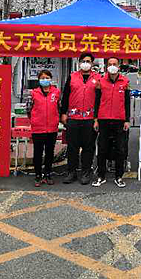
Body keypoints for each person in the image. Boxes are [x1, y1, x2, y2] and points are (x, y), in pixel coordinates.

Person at [60, 52, 100, 184]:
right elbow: (65, 96)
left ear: (92, 63)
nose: (85, 64)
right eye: (83, 61)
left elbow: (100, 99)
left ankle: (86, 172)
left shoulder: (98, 78)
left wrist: (97, 118)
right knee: (72, 147)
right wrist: (63, 113)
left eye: (88, 61)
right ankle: (71, 172)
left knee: (88, 147)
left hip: (90, 119)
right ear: (79, 63)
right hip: (73, 118)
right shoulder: (72, 77)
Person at [92, 56, 131, 188]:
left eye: (114, 64)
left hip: (119, 120)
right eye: (110, 64)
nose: (112, 66)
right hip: (103, 119)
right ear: (106, 66)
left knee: (120, 149)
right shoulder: (101, 81)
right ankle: (101, 176)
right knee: (102, 148)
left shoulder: (125, 82)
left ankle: (119, 176)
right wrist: (95, 119)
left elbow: (127, 103)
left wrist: (127, 120)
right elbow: (97, 102)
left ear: (118, 66)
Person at [27, 70, 61, 187]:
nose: (45, 80)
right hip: (38, 128)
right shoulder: (33, 93)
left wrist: (57, 119)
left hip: (52, 128)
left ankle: (48, 174)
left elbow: (59, 107)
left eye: (47, 77)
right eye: (42, 78)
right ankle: (38, 175)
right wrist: (34, 120)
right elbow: (28, 109)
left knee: (50, 152)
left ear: (51, 79)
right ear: (39, 80)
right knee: (38, 152)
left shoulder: (56, 92)